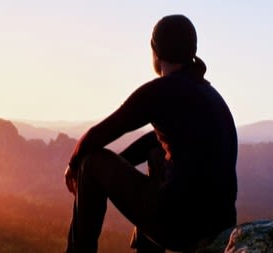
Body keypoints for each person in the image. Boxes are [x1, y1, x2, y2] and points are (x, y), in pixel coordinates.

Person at [64, 14, 238, 253]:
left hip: (181, 228)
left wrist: (74, 164)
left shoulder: (160, 91)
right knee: (157, 152)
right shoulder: (210, 94)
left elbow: (98, 135)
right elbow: (156, 141)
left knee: (90, 162)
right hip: (219, 222)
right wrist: (119, 168)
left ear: (155, 52)